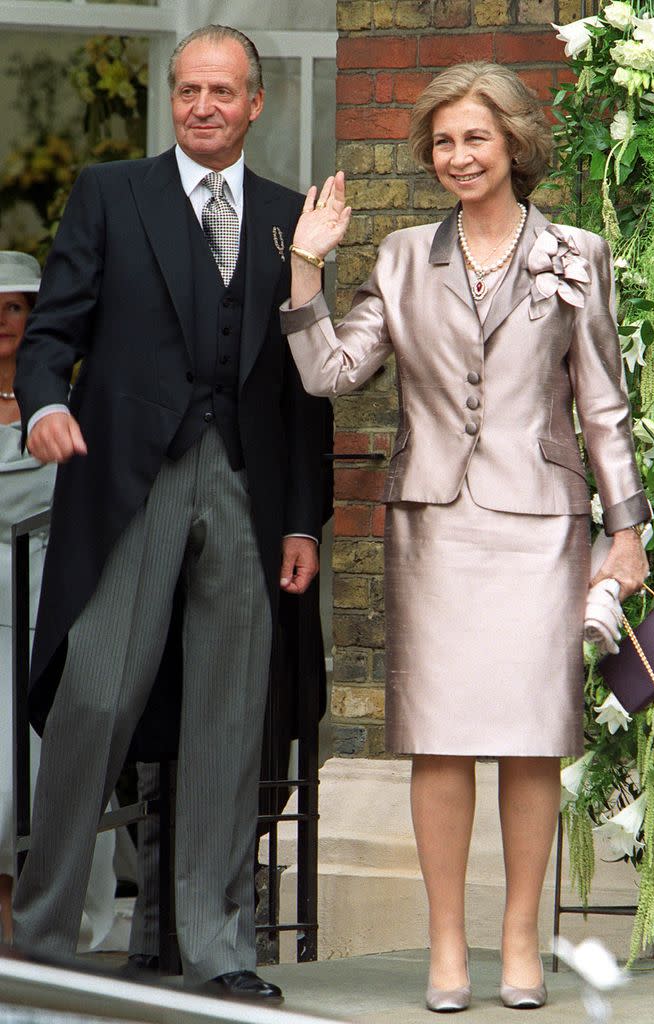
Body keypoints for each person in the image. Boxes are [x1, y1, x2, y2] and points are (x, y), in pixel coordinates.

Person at [280, 62, 650, 1012]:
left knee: (532, 741)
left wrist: (627, 531)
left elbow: (603, 407)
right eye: (442, 141)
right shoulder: (403, 257)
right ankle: (446, 944)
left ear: (513, 144)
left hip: (542, 529)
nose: (458, 156)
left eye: (475, 138)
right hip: (435, 530)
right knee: (438, 743)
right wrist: (307, 266)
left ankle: (519, 939)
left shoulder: (578, 251)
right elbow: (331, 373)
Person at [12, 25, 328, 1003]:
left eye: (221, 91)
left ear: (254, 104)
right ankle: (44, 933)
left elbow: (303, 392)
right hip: (129, 481)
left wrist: (304, 522)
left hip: (245, 484)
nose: (200, 104)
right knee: (95, 699)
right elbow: (52, 331)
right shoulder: (111, 194)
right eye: (187, 88)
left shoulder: (288, 219)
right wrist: (47, 404)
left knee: (232, 719)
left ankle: (217, 944)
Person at [0, 251, 119, 954]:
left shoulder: (67, 406)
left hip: (57, 607)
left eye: (15, 306)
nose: (2, 322)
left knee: (56, 773)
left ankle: (45, 931)